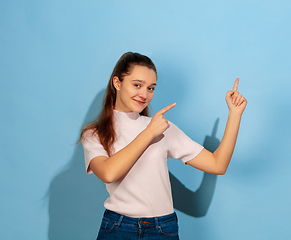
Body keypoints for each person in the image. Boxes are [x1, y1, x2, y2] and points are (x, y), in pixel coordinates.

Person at [80, 52, 246, 240]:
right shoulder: (95, 133)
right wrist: (149, 133)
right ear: (117, 83)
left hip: (162, 229)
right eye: (137, 85)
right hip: (118, 228)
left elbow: (218, 165)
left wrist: (235, 115)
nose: (144, 94)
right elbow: (108, 173)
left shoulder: (164, 128)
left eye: (151, 88)